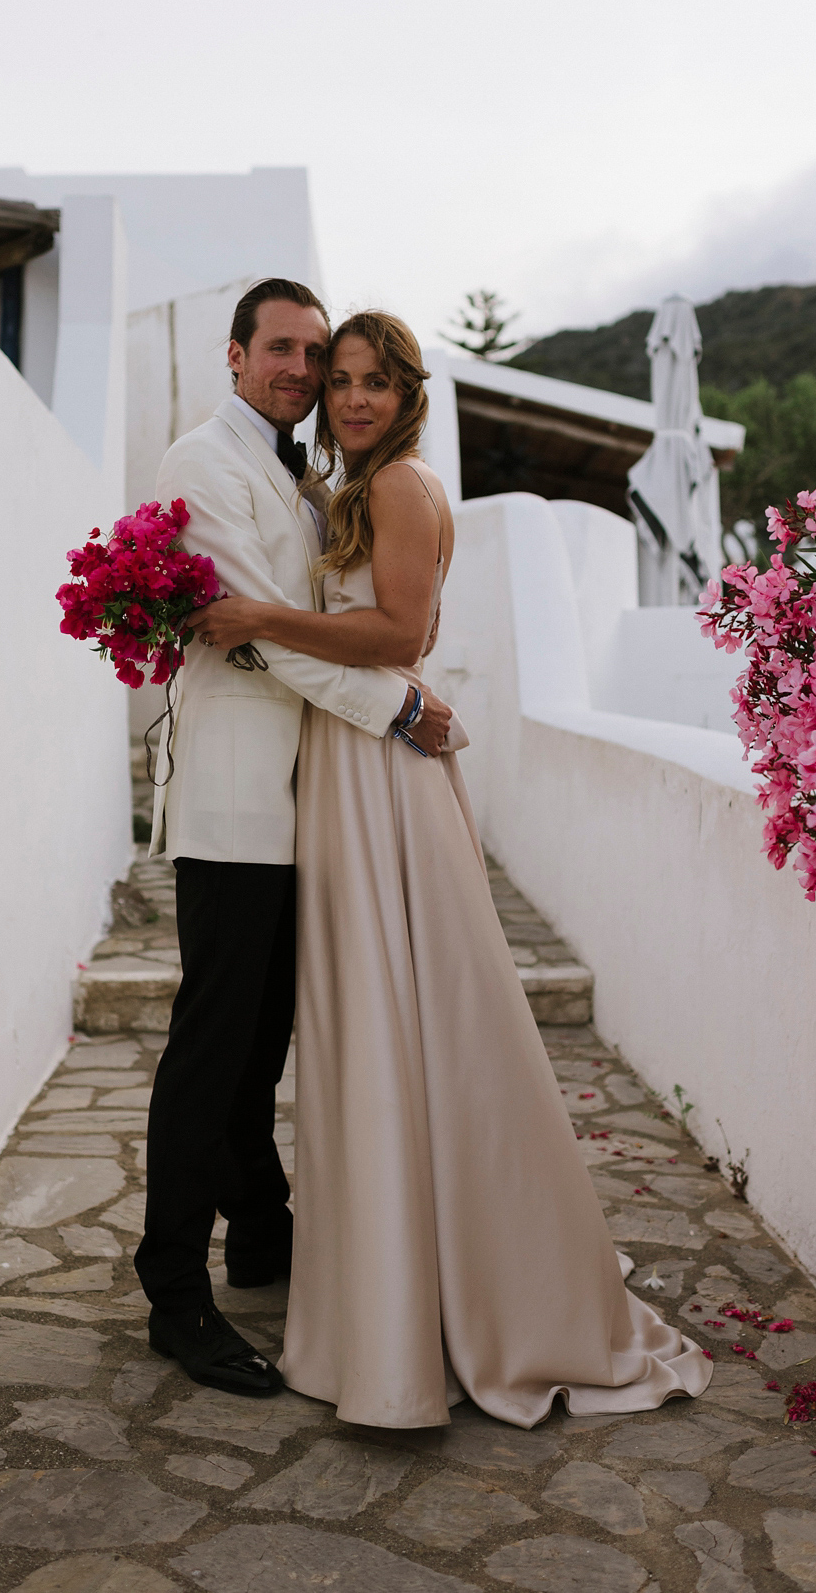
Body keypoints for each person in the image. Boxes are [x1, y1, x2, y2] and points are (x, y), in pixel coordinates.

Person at [189, 310, 712, 1428]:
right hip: (346, 767)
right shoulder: (355, 486)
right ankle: (395, 1280)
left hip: (382, 773)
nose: (355, 399)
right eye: (341, 381)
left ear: (410, 392)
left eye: (377, 381)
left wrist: (261, 616)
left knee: (409, 1016)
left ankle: (441, 1291)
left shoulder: (400, 487)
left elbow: (399, 637)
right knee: (372, 1023)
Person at [134, 279, 452, 1401]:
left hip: (303, 802)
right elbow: (255, 632)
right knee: (211, 1053)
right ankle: (175, 1291)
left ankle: (262, 1238)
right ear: (234, 356)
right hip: (234, 802)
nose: (303, 371)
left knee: (259, 1047)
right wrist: (399, 706)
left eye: (316, 353)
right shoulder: (203, 463)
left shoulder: (305, 475)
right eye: (283, 349)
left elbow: (308, 615)